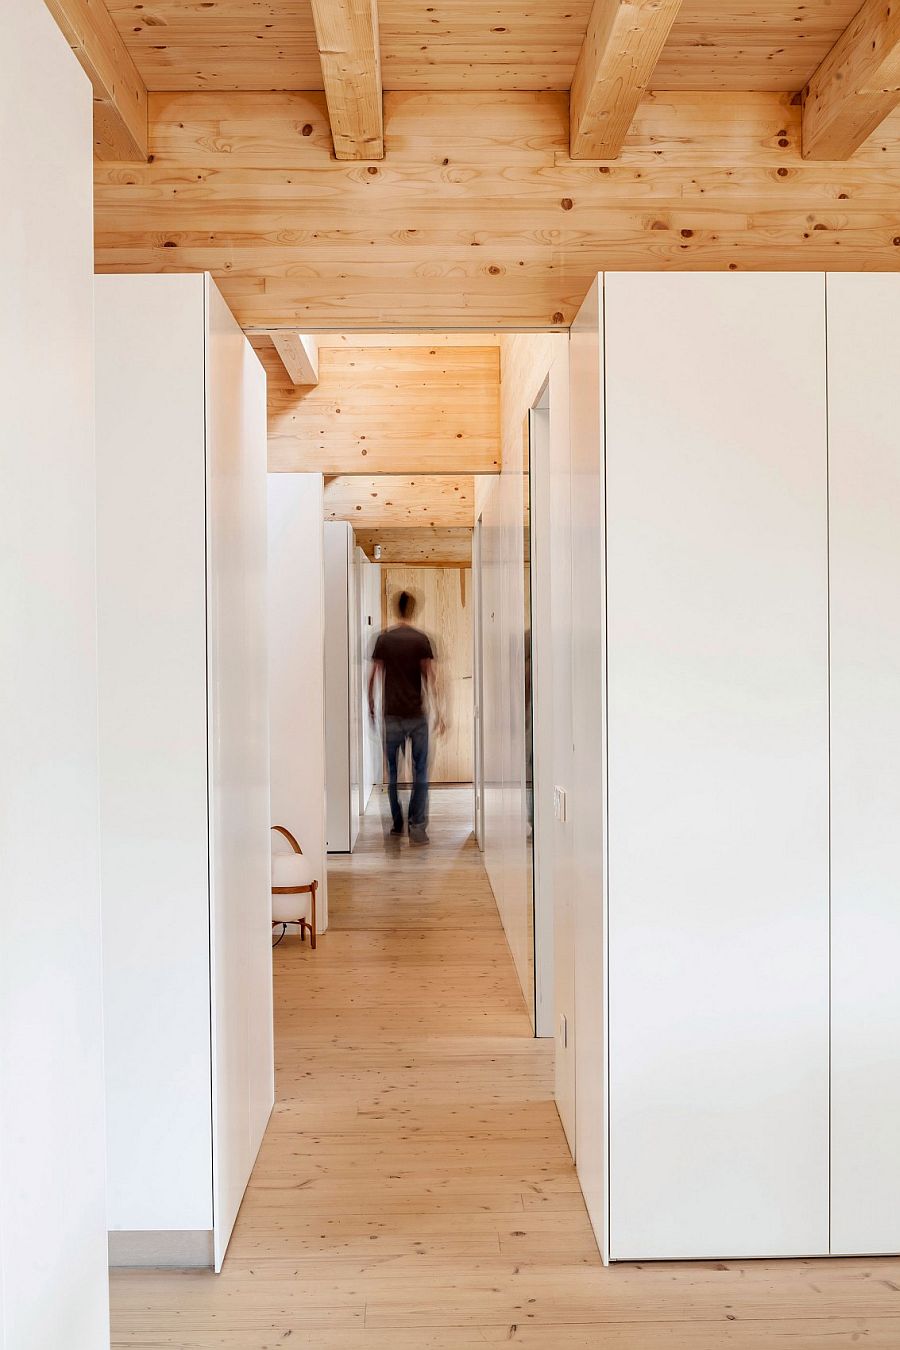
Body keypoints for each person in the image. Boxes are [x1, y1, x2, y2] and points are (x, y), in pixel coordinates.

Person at [368, 590, 443, 844]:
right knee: (420, 771)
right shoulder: (421, 640)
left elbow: (374, 675)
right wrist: (440, 712)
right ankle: (418, 826)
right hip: (417, 715)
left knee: (392, 772)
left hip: (391, 715)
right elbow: (431, 678)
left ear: (396, 609)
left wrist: (371, 705)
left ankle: (397, 824)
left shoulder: (383, 639)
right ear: (413, 609)